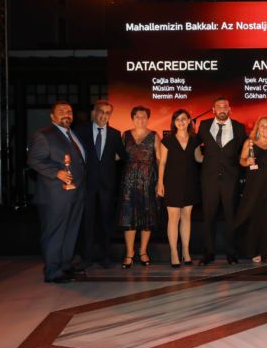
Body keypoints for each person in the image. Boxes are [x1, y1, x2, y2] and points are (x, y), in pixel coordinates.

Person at [27, 101, 86, 283]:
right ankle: (52, 272)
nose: (66, 114)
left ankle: (64, 266)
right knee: (55, 234)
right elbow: (34, 160)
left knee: (69, 233)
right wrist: (56, 172)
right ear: (52, 116)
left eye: (69, 111)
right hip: (55, 195)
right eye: (61, 111)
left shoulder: (72, 134)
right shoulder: (44, 135)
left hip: (75, 192)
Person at [73, 100, 128, 271]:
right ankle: (86, 257)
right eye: (101, 112)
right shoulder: (80, 131)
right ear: (94, 113)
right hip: (86, 183)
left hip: (107, 185)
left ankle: (105, 256)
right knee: (87, 222)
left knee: (106, 222)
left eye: (107, 113)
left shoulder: (115, 134)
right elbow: (73, 154)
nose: (104, 115)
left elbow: (123, 156)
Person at [197, 97, 248, 266]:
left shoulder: (239, 127)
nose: (222, 109)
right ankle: (209, 252)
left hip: (230, 179)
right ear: (213, 110)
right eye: (218, 107)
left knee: (231, 217)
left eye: (225, 106)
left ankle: (231, 252)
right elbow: (194, 145)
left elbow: (243, 150)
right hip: (209, 179)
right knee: (209, 217)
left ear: (229, 109)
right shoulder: (204, 125)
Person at [235, 116, 267, 263]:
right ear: (257, 128)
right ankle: (255, 250)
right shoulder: (250, 143)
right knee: (255, 218)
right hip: (255, 187)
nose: (265, 128)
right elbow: (241, 161)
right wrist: (247, 161)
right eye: (262, 125)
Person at [157, 109, 204, 268]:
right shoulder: (167, 140)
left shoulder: (195, 139)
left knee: (186, 217)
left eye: (183, 118)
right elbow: (162, 162)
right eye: (177, 119)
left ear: (189, 120)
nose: (180, 122)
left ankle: (186, 251)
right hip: (171, 182)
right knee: (173, 217)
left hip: (189, 181)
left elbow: (199, 158)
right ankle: (174, 253)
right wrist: (160, 183)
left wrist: (217, 156)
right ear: (173, 122)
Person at [118, 106, 161, 268]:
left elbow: (160, 160)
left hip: (148, 179)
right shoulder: (125, 135)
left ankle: (143, 251)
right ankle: (129, 252)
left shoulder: (154, 135)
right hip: (129, 180)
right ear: (132, 118)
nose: (140, 118)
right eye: (137, 116)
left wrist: (160, 182)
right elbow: (118, 155)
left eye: (144, 116)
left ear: (148, 118)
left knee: (146, 215)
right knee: (128, 215)